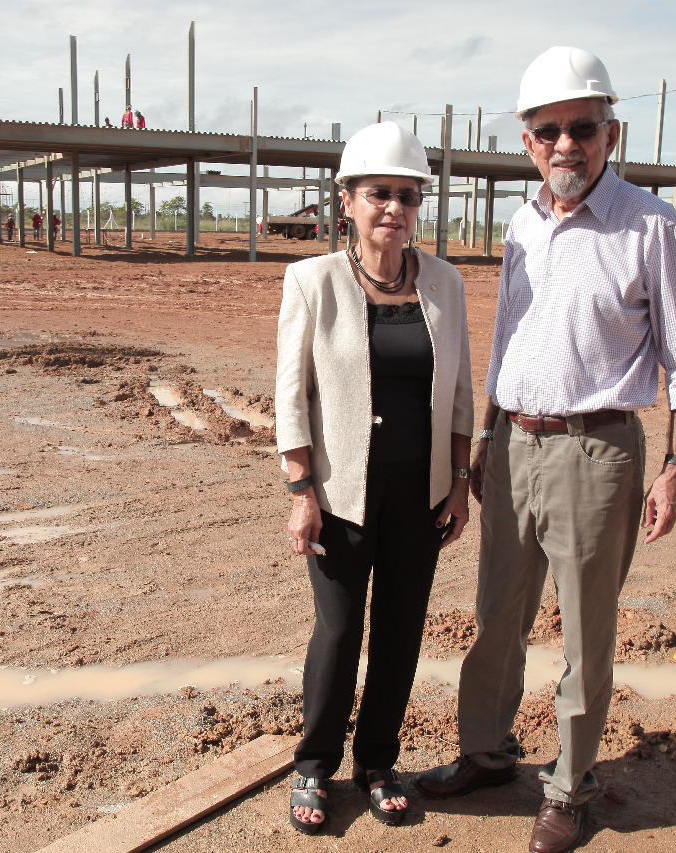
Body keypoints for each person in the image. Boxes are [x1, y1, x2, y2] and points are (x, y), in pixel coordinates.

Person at [413, 46, 676, 853]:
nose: (566, 145)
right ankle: (486, 753)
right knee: (496, 615)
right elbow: (510, 340)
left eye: (582, 127)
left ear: (611, 133)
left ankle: (571, 786)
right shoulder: (523, 224)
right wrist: (486, 435)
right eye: (548, 131)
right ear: (527, 143)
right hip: (512, 444)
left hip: (597, 452)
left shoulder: (650, 226)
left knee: (585, 630)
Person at [276, 121, 474, 835]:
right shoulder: (313, 281)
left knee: (400, 629)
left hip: (419, 494)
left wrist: (458, 482)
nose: (394, 207)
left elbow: (459, 394)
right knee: (338, 631)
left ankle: (378, 762)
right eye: (378, 193)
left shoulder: (445, 283)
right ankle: (313, 764)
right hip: (341, 495)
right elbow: (291, 395)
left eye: (407, 195)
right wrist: (301, 491)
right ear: (347, 200)